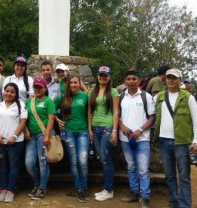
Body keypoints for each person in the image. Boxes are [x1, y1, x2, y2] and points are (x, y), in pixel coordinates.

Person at [154, 69, 197, 208]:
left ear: (180, 80)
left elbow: (195, 120)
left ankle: (185, 205)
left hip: (182, 142)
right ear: (165, 79)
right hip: (163, 141)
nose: (171, 80)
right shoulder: (159, 96)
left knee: (184, 176)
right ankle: (174, 200)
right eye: (169, 78)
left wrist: (195, 140)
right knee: (169, 174)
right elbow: (147, 110)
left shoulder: (188, 97)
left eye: (174, 78)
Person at [118, 70, 155, 208]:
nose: (131, 81)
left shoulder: (146, 96)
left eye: (134, 78)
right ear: (125, 81)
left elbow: (152, 117)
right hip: (126, 139)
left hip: (142, 138)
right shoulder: (121, 97)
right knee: (131, 166)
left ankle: (145, 196)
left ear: (138, 80)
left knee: (143, 169)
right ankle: (134, 192)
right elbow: (117, 117)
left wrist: (140, 130)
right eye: (129, 79)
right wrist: (122, 126)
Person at [54, 75, 91, 203]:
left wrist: (83, 86)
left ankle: (84, 188)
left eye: (76, 83)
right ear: (67, 85)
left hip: (83, 132)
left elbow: (91, 105)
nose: (73, 85)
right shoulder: (63, 98)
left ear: (79, 84)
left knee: (83, 162)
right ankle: (79, 189)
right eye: (71, 83)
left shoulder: (84, 96)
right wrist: (57, 120)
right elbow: (50, 109)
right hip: (69, 133)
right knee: (74, 162)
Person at [88, 66, 119, 202]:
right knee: (102, 159)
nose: (103, 77)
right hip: (95, 128)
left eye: (105, 75)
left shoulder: (113, 92)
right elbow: (89, 112)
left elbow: (116, 112)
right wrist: (89, 129)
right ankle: (106, 188)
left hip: (107, 128)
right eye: (101, 75)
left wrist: (114, 130)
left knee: (106, 160)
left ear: (109, 77)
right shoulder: (91, 92)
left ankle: (109, 190)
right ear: (97, 76)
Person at [0, 83, 27, 203]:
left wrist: (14, 136)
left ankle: (10, 190)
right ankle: (3, 189)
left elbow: (23, 122)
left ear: (16, 94)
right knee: (3, 166)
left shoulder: (20, 105)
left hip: (15, 142)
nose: (9, 93)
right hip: (1, 142)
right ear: (3, 92)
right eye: (7, 91)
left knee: (13, 166)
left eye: (12, 92)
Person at [25, 78, 56, 200]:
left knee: (43, 162)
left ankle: (42, 188)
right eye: (35, 87)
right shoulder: (29, 102)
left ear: (45, 88)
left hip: (43, 135)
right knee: (29, 163)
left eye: (40, 87)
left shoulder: (49, 102)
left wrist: (47, 135)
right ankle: (37, 184)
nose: (37, 89)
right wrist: (26, 131)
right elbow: (24, 118)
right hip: (31, 136)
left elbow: (51, 119)